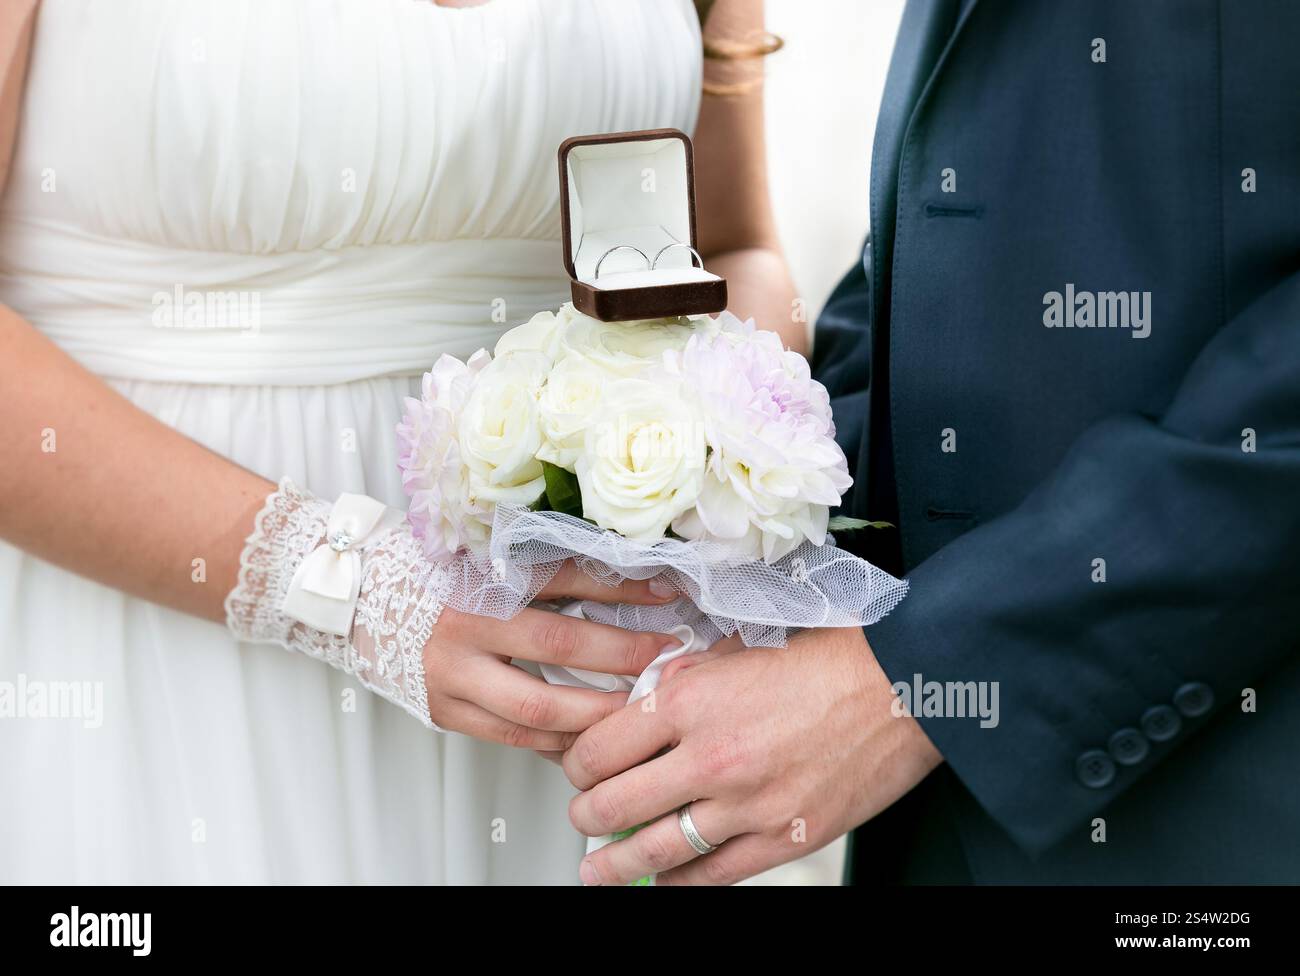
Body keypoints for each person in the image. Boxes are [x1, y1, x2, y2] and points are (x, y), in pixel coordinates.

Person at [0, 0, 796, 883]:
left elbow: (733, 246)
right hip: (154, 638)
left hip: (545, 680)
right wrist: (355, 592)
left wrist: (709, 482)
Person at [567, 0, 1300, 885]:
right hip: (922, 819)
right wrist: (732, 491)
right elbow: (955, 233)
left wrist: (926, 683)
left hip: (1211, 790)